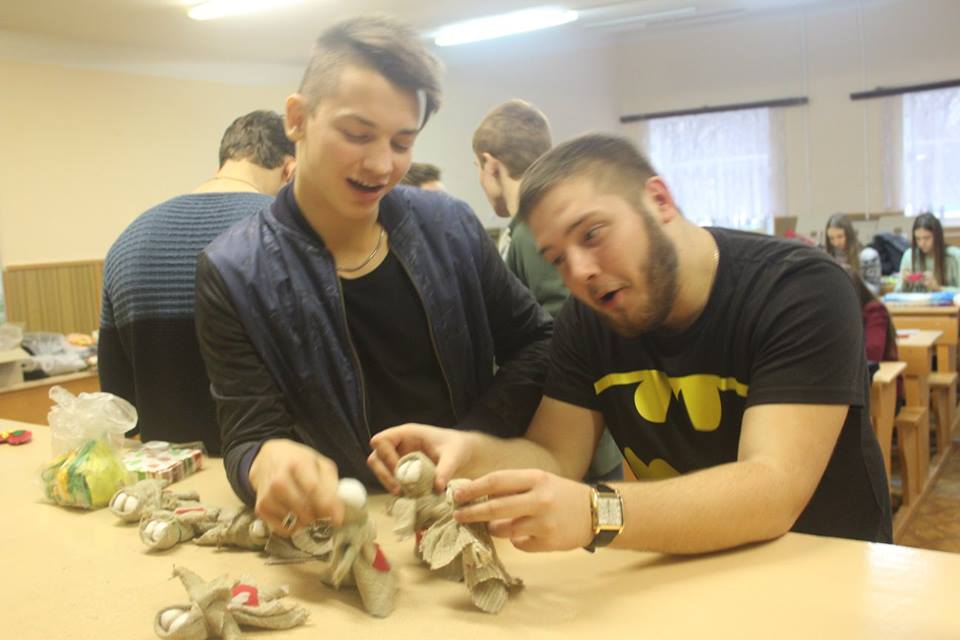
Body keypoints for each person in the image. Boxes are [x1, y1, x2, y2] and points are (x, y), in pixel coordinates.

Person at [370, 133, 892, 554]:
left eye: (592, 234)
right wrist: (469, 451)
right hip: (686, 567)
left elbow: (772, 490)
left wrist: (595, 512)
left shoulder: (799, 288)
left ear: (658, 200)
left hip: (823, 568)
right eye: (557, 259)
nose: (579, 272)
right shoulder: (588, 319)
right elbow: (555, 454)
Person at [194, 16, 552, 534]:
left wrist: (472, 439)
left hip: (468, 511)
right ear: (297, 119)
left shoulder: (449, 226)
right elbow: (248, 434)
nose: (382, 165)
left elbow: (538, 343)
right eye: (357, 135)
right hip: (345, 530)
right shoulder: (233, 270)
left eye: (402, 143)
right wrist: (267, 461)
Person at [99, 110, 296, 454]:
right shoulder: (288, 232)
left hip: (165, 473)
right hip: (272, 472)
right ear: (289, 169)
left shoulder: (128, 241)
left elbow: (118, 399)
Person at [473, 98, 622, 482]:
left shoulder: (532, 233)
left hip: (576, 445)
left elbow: (566, 334)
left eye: (478, 170)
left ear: (491, 165)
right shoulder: (526, 231)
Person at [898, 212, 960, 290]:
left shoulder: (955, 256)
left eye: (927, 238)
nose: (921, 243)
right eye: (918, 238)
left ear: (937, 236)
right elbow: (896, 292)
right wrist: (904, 282)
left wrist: (938, 288)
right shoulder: (909, 256)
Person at [824, 214, 881, 293]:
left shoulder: (868, 256)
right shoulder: (827, 257)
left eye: (840, 236)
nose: (836, 243)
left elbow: (874, 290)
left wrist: (851, 280)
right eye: (831, 238)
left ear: (849, 235)